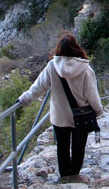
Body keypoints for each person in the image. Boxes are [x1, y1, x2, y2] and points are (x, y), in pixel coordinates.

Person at [18, 31, 103, 183]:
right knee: (78, 147)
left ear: (59, 49)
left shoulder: (52, 67)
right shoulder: (85, 69)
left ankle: (64, 177)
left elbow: (38, 87)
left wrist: (24, 99)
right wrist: (98, 110)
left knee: (62, 148)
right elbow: (92, 93)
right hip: (81, 116)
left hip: (60, 117)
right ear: (76, 48)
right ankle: (74, 175)